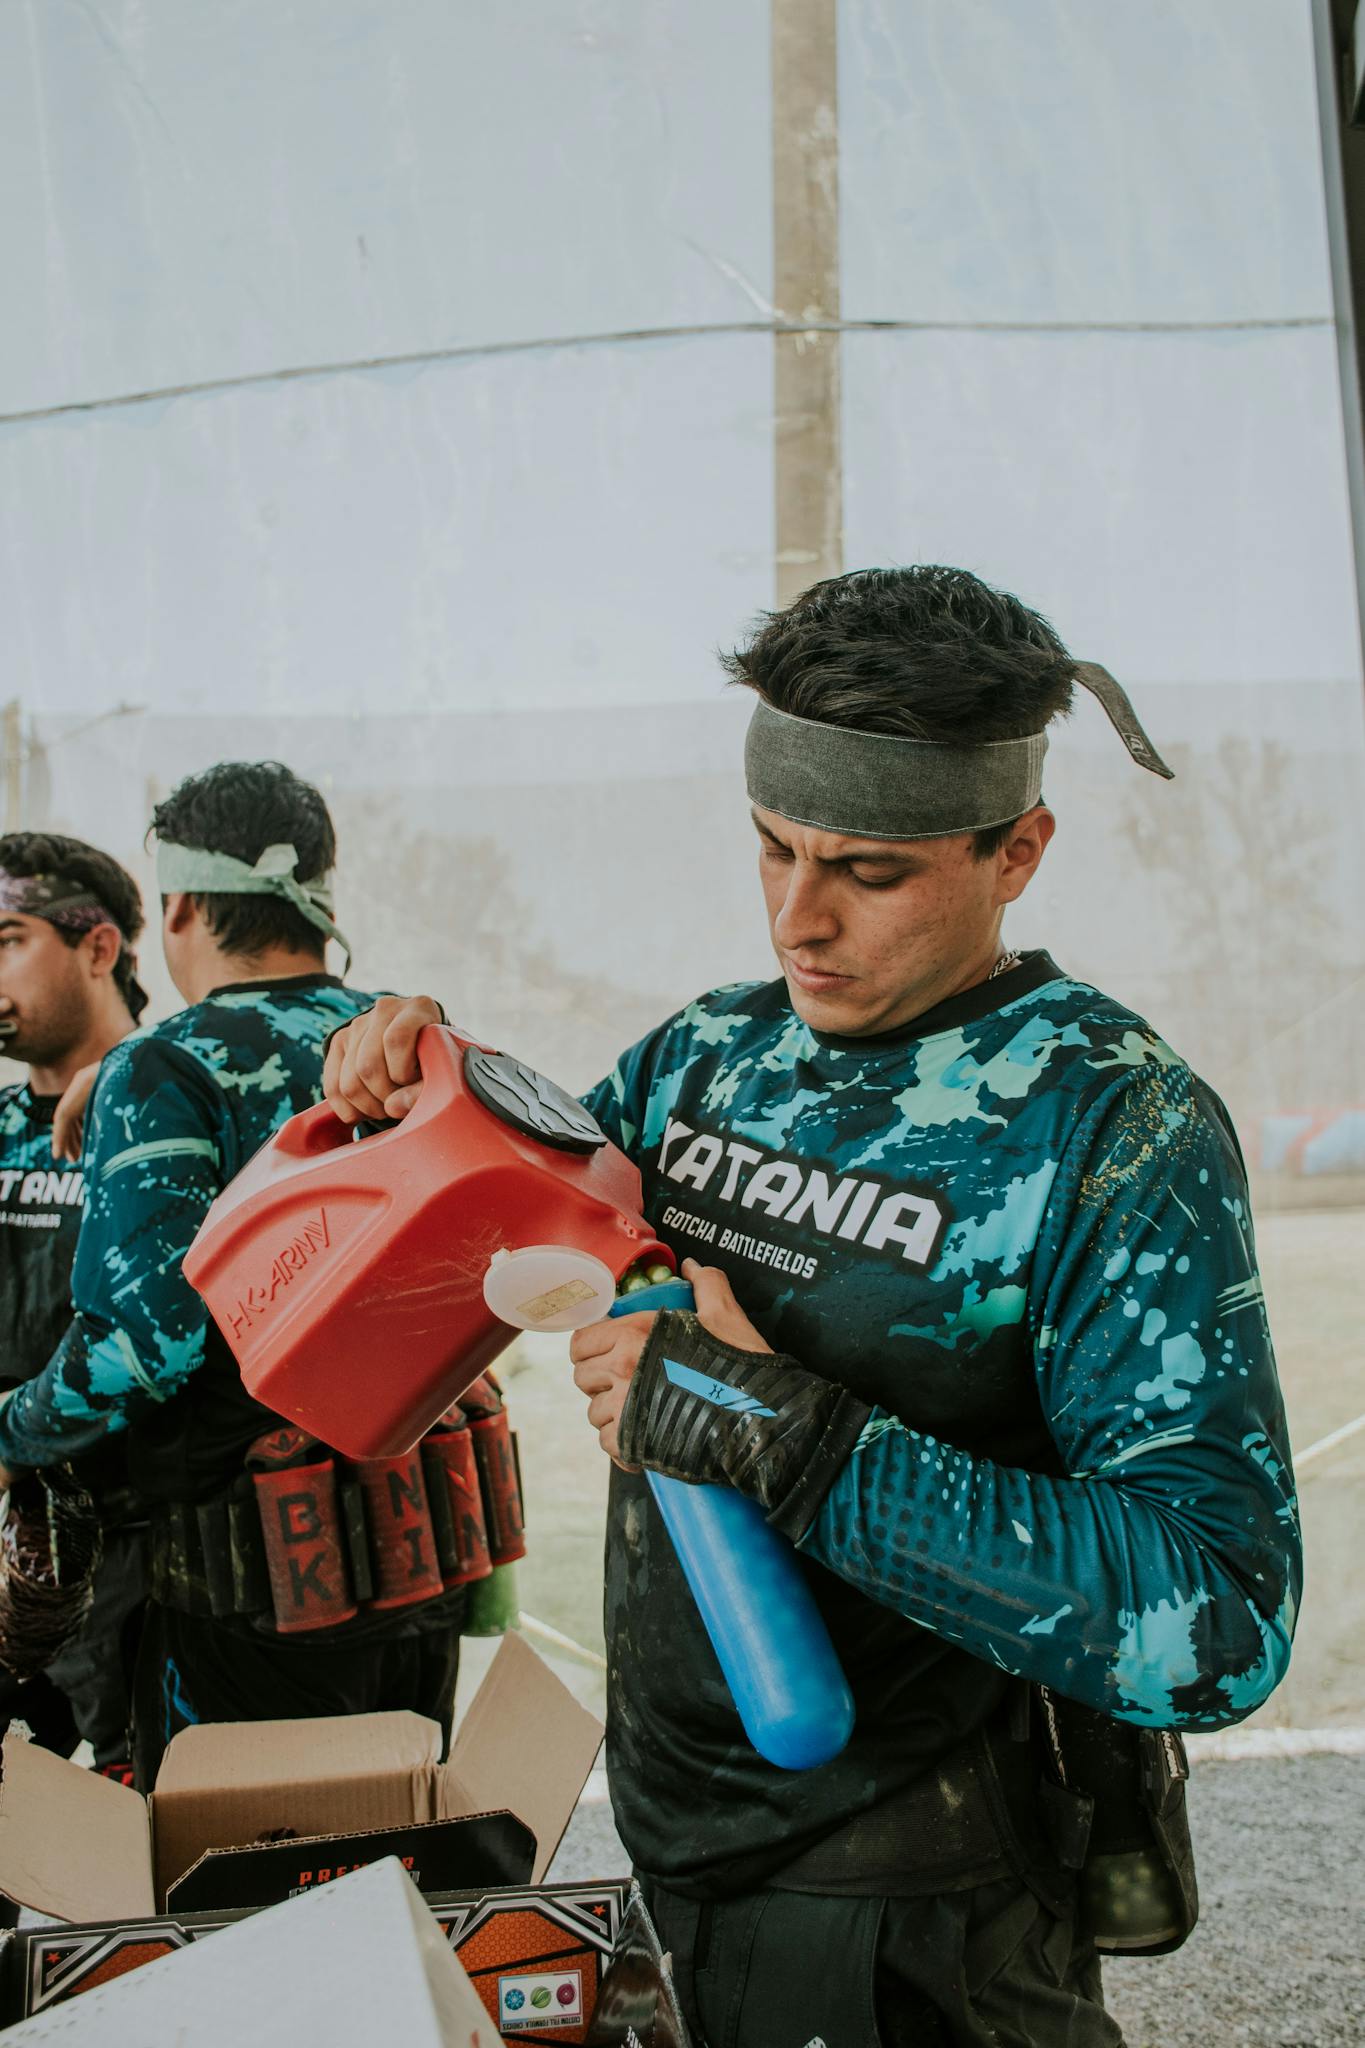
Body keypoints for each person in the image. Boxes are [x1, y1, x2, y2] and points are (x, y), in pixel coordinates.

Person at [321, 567, 1301, 2048]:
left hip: (920, 1896)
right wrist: (410, 1097)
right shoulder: (711, 1054)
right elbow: (510, 1240)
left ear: (1016, 850)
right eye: (772, 850)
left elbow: (1211, 1619)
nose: (800, 918)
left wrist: (768, 1426)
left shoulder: (1110, 1124)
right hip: (676, 1831)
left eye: (871, 871)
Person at [0, 763, 471, 1788]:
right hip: (412, 1577)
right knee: (395, 1863)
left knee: (241, 1903)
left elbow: (144, 1347)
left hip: (242, 1598)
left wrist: (12, 1430)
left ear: (176, 908)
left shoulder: (168, 1066)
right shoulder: (412, 1048)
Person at [0, 834, 149, 1773]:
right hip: (15, 1549)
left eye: (7, 939)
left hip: (144, 1566)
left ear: (98, 948)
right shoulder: (7, 1125)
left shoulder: (174, 1116)